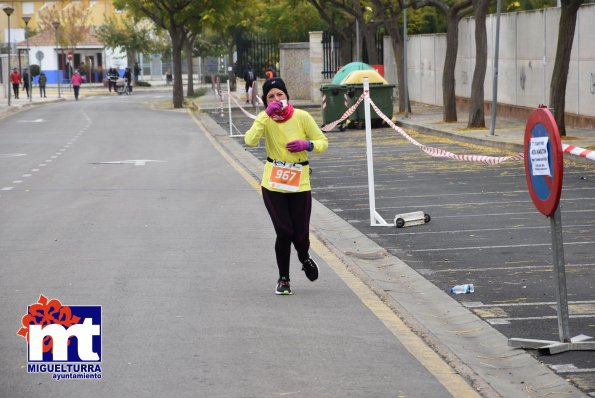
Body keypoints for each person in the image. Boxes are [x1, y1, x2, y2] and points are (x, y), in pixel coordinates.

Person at [244, 78, 329, 295]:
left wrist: (307, 145)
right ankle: (284, 279)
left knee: (300, 235)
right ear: (265, 101)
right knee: (284, 231)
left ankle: (304, 257)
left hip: (299, 182)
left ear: (287, 96)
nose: (276, 99)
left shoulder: (302, 117)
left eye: (279, 95)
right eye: (270, 97)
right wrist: (265, 115)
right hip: (273, 182)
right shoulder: (265, 119)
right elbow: (250, 140)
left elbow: (323, 143)